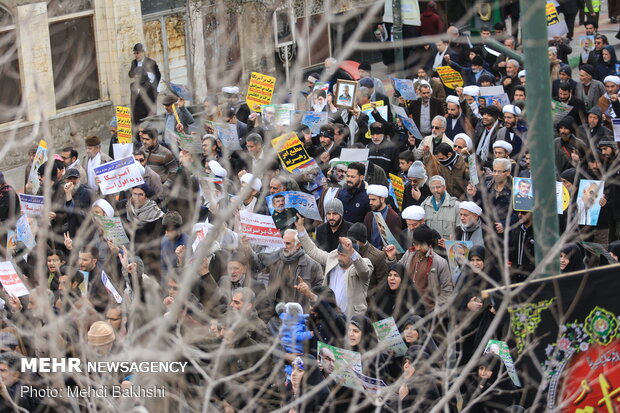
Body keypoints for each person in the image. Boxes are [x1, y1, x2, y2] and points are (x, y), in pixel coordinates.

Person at [295, 216, 373, 316]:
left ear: (352, 255)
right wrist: (300, 228)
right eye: (338, 254)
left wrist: (352, 251)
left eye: (343, 255)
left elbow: (364, 272)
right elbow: (313, 251)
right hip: (330, 315)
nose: (339, 258)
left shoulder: (364, 263)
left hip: (351, 319)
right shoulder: (333, 258)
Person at [385, 226, 453, 313]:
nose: (418, 248)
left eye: (421, 245)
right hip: (405, 308)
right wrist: (391, 258)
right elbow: (397, 272)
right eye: (415, 244)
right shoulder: (409, 254)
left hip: (427, 311)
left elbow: (447, 289)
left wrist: (437, 310)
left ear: (429, 244)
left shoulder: (440, 262)